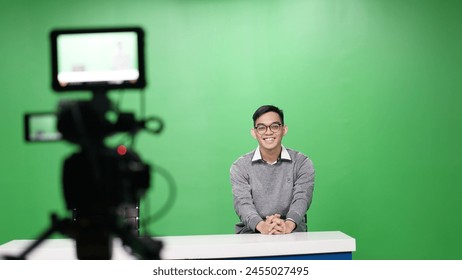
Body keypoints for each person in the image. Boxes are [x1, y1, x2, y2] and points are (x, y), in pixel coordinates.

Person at [230, 105, 315, 234]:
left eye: (274, 126)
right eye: (261, 127)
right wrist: (262, 226)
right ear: (254, 132)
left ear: (284, 129)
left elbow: (302, 198)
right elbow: (243, 203)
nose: (268, 132)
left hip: (292, 231)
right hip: (252, 232)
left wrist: (288, 225)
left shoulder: (302, 163)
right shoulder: (240, 166)